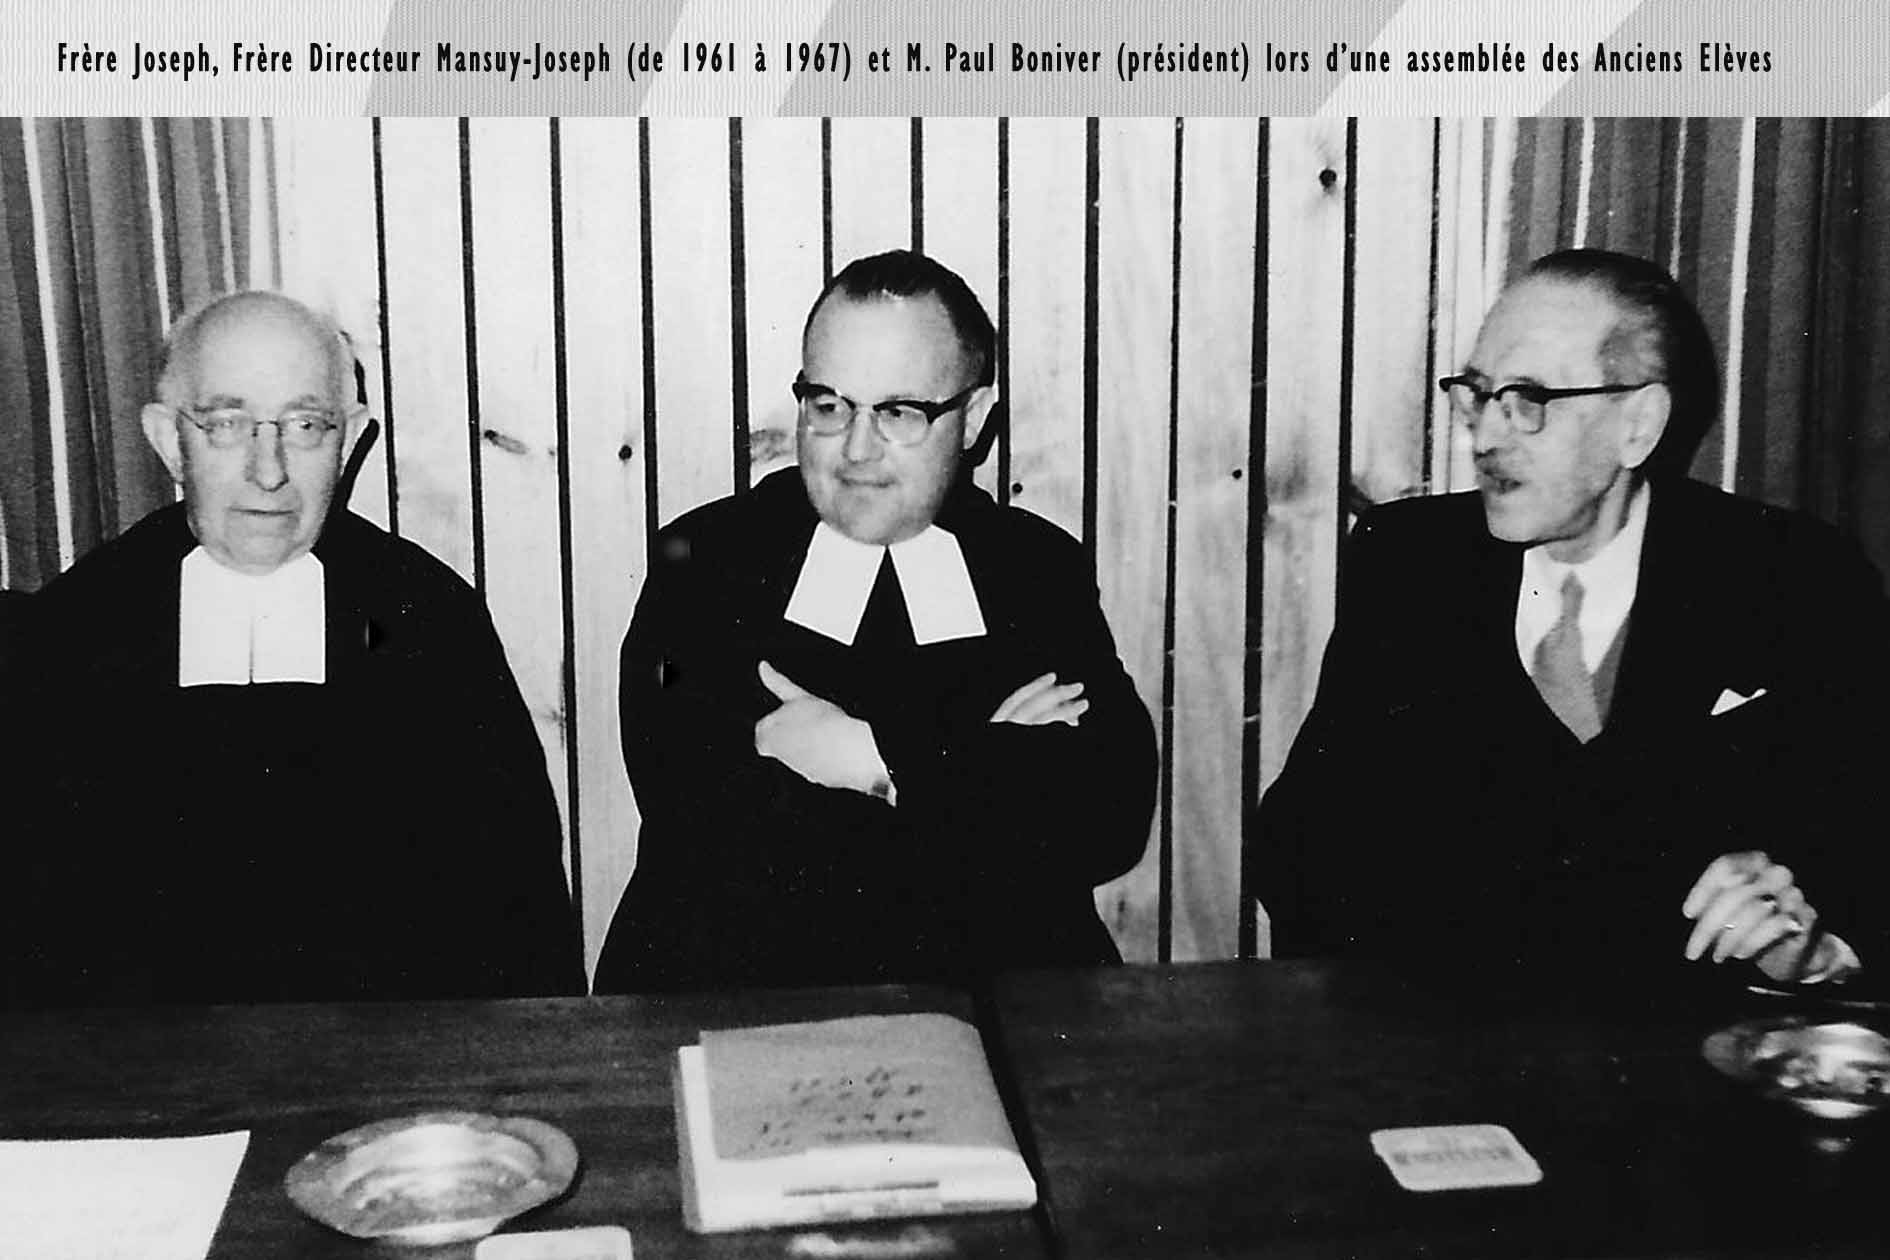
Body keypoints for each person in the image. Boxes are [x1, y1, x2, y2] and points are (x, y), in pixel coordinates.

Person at [1255, 249, 1890, 989]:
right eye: (1477, 395)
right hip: (1448, 1028)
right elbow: (1301, 843)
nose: (1484, 438)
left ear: (1638, 425)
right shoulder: (1410, 561)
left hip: (1695, 1043)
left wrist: (1816, 954)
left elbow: (1866, 848)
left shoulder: (1793, 574)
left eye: (1529, 399)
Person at [594, 250, 1156, 992]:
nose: (857, 450)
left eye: (899, 413)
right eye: (830, 406)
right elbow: (712, 831)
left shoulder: (1033, 567)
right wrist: (988, 768)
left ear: (973, 419)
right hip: (744, 997)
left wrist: (869, 758)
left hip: (997, 1001)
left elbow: (1107, 810)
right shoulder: (706, 560)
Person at [5, 291, 583, 1006]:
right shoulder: (75, 630)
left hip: (391, 1055)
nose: (269, 470)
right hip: (140, 1059)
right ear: (168, 441)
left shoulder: (429, 624)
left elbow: (516, 912)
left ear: (351, 439)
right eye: (227, 424)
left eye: (306, 426)